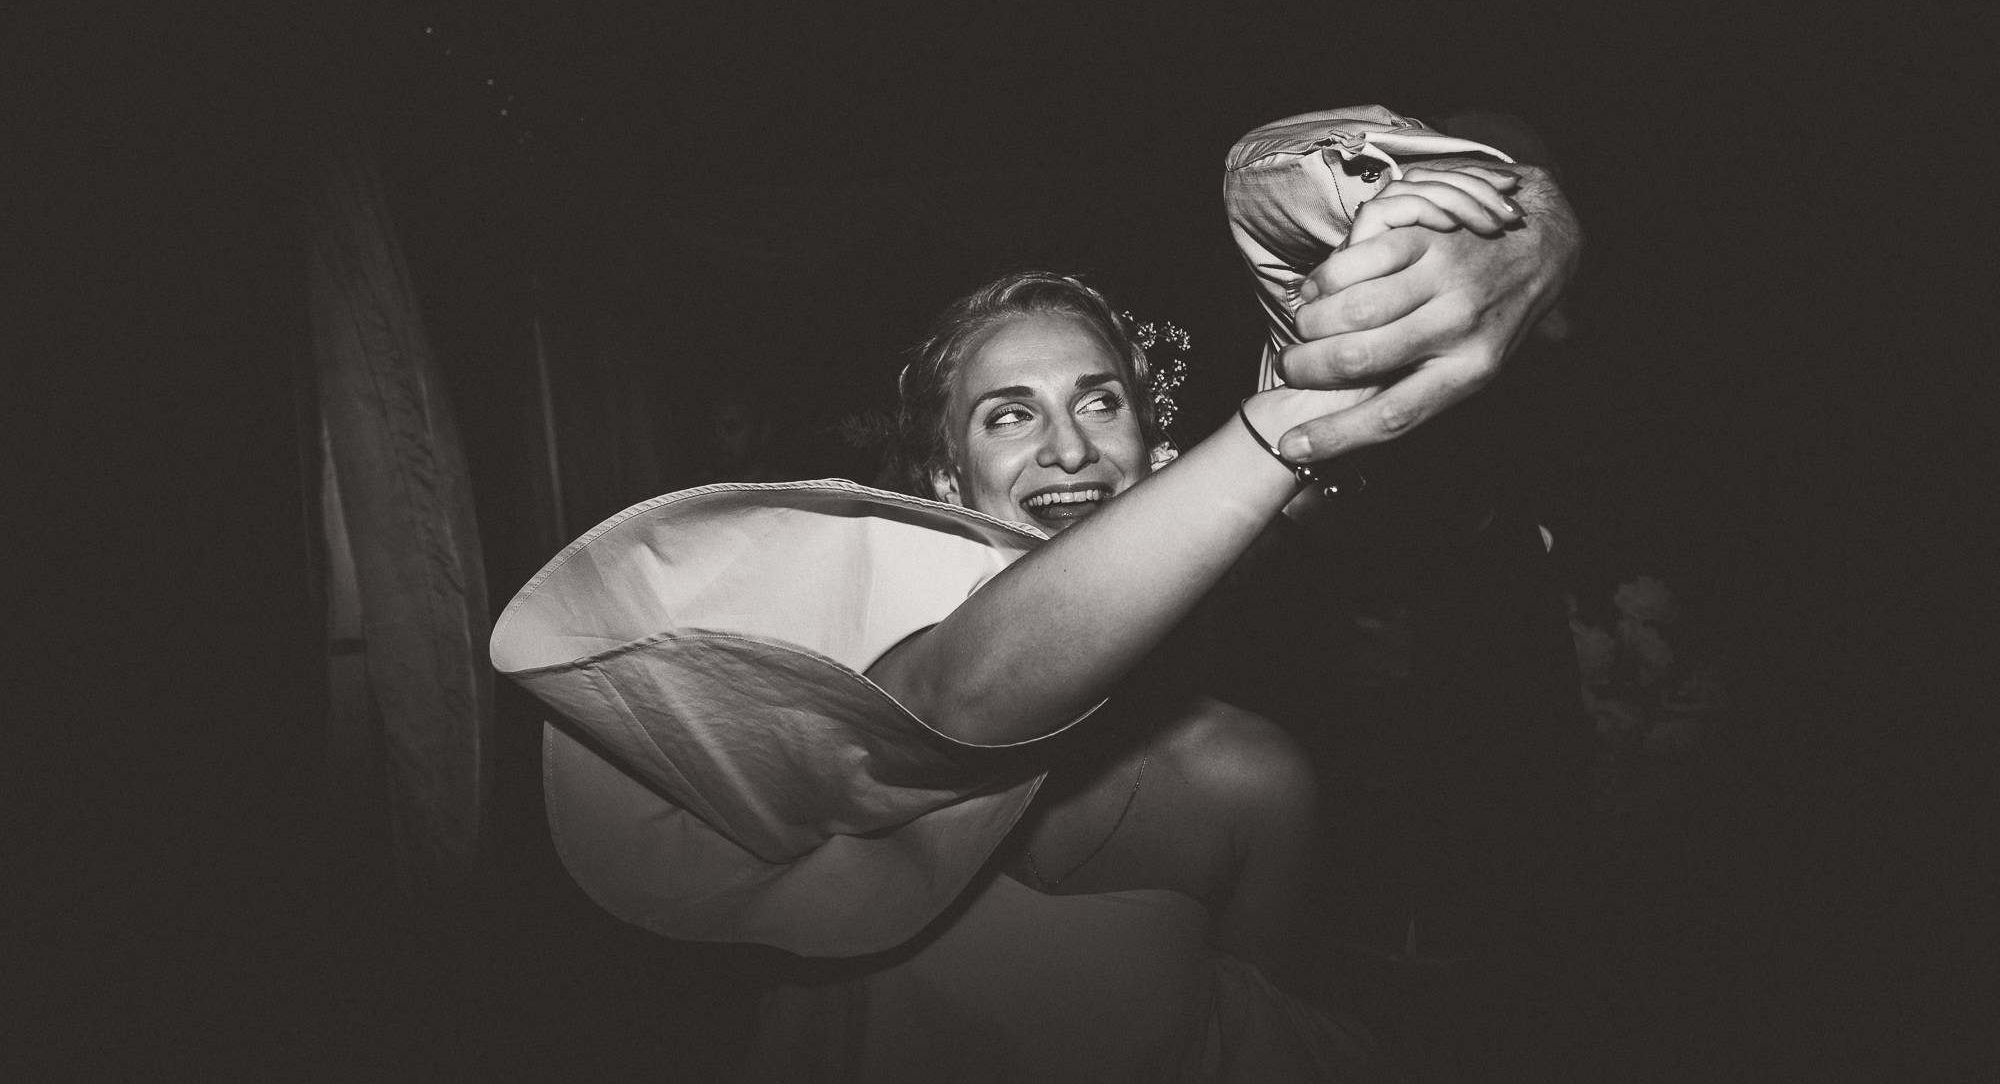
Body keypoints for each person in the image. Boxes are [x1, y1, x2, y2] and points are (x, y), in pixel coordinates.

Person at [490, 107, 1577, 1080]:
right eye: (1008, 414)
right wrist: (1291, 410)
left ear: (1154, 457)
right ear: (943, 480)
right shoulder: (832, 674)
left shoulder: (1252, 780)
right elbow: (945, 707)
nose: (1067, 449)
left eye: (1098, 402)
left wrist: (1447, 198)